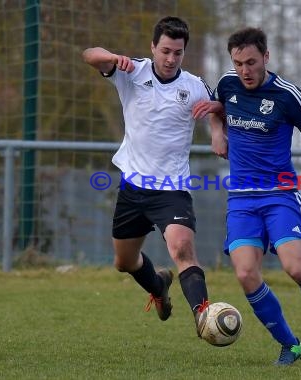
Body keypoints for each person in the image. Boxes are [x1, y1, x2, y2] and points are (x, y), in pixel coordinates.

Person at [193, 27, 301, 365]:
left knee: (295, 268)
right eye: (238, 63)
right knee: (244, 274)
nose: (245, 70)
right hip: (241, 199)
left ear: (266, 57)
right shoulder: (228, 84)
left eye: (251, 62)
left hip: (280, 195)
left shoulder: (286, 95)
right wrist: (217, 133)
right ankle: (290, 345)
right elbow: (218, 107)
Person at [82, 16, 218, 337]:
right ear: (153, 47)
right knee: (124, 262)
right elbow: (89, 55)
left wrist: (217, 132)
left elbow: (217, 109)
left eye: (178, 53)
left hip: (172, 189)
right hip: (132, 188)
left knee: (182, 248)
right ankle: (158, 286)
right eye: (166, 51)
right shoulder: (132, 73)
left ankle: (203, 314)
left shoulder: (194, 86)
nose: (171, 59)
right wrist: (113, 59)